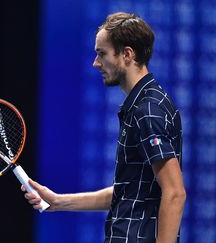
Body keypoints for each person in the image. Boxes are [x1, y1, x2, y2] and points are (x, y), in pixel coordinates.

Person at [22, 12, 186, 243]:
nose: (96, 63)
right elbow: (128, 193)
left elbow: (175, 193)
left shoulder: (148, 111)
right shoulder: (143, 104)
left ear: (127, 54)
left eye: (102, 54)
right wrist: (58, 201)